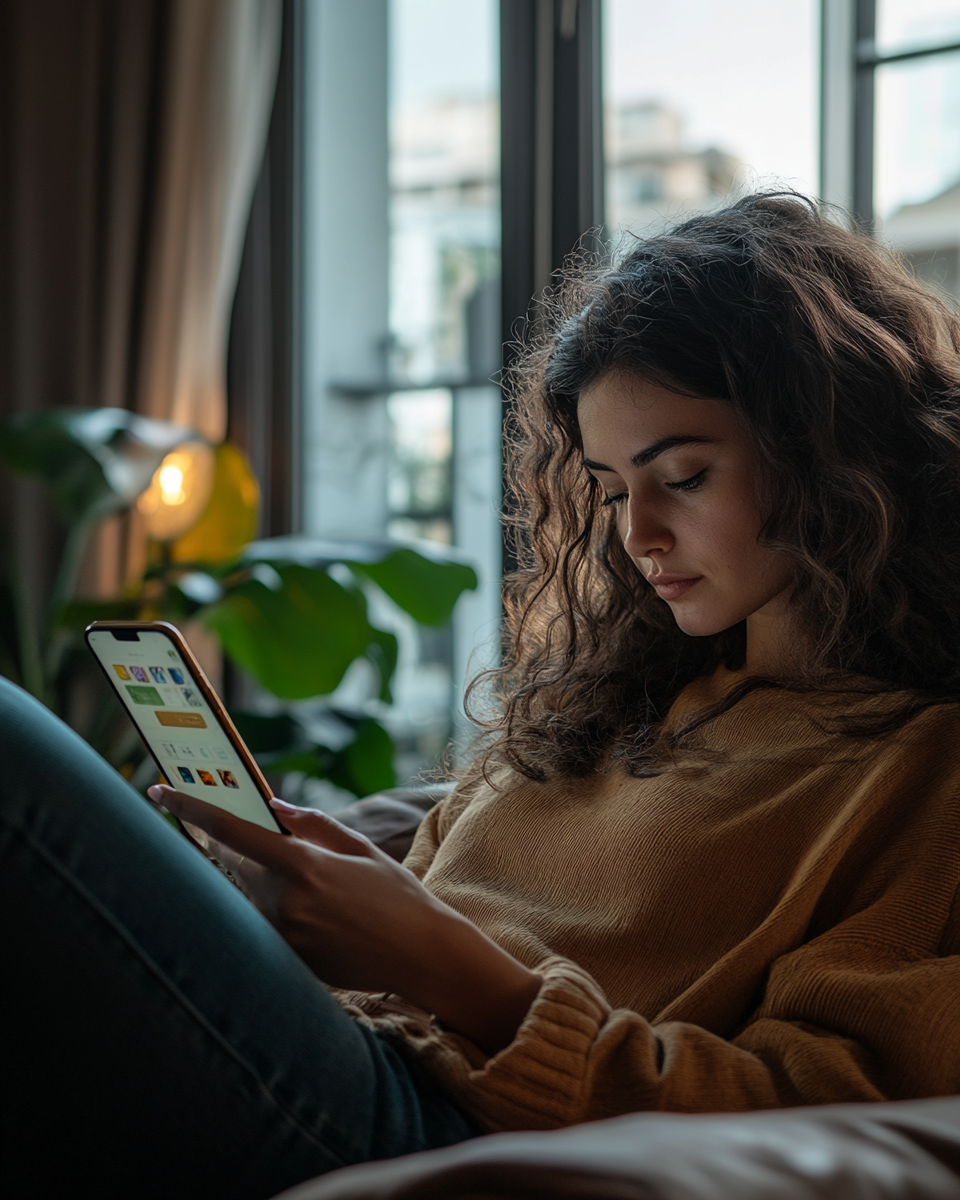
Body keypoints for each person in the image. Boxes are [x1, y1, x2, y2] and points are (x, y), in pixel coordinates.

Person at [2, 193, 958, 1200]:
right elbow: (418, 898)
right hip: (329, 1038)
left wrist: (466, 980)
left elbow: (811, 1111)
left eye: (680, 475)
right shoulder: (618, 697)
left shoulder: (920, 772)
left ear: (828, 452)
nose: (636, 533)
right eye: (605, 487)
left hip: (430, 1124)